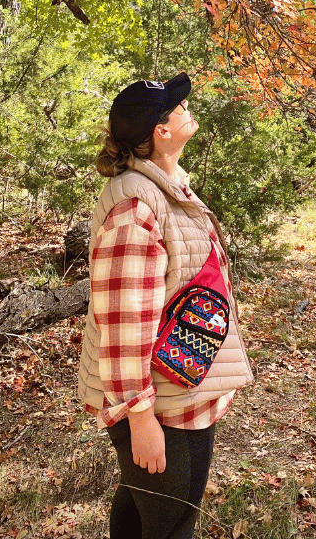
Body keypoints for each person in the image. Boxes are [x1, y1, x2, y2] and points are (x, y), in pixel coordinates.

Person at [78, 72, 253, 539]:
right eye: (178, 106)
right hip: (162, 407)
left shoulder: (166, 187)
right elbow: (124, 322)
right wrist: (140, 419)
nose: (187, 108)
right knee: (172, 526)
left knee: (141, 514)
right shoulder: (135, 209)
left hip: (182, 391)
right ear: (161, 131)